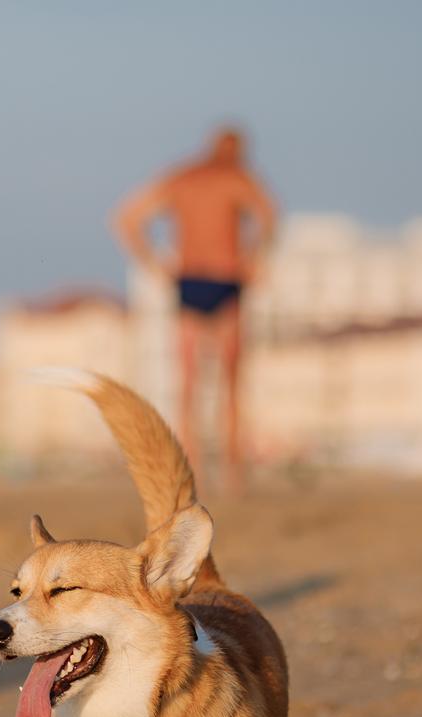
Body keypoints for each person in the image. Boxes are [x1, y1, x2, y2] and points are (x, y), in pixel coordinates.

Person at [113, 125, 278, 490]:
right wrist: (253, 258)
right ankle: (233, 477)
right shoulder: (238, 178)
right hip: (225, 279)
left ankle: (194, 477)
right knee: (229, 383)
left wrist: (154, 263)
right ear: (235, 149)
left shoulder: (180, 179)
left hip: (189, 282)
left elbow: (127, 218)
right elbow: (269, 216)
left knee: (189, 385)